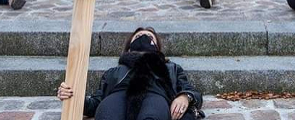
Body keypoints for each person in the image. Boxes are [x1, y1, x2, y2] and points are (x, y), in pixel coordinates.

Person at [57, 27, 204, 120]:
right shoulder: (113, 72)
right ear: (128, 49)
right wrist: (72, 95)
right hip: (118, 95)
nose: (144, 38)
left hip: (156, 95)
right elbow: (94, 103)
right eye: (139, 36)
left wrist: (185, 97)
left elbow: (192, 91)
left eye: (149, 37)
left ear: (158, 49)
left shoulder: (171, 68)